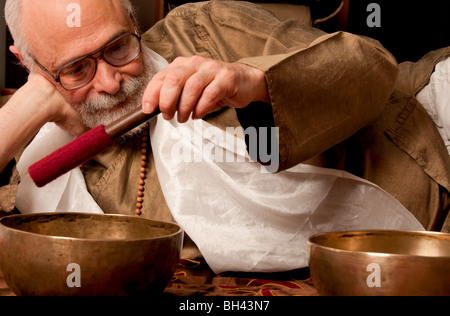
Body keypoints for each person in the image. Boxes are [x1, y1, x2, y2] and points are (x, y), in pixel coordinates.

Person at [0, 0, 448, 264]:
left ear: (134, 24)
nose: (111, 81)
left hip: (426, 141)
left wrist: (252, 83)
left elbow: (371, 66)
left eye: (119, 46)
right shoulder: (34, 155)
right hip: (387, 258)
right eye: (76, 68)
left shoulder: (203, 29)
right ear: (28, 63)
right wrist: (19, 114)